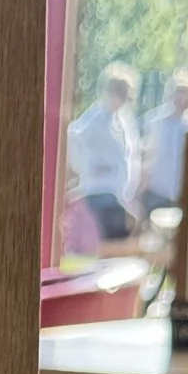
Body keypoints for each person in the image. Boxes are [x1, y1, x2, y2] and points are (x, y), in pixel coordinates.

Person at [64, 64, 141, 245]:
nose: (120, 100)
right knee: (105, 244)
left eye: (124, 95)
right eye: (118, 93)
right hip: (99, 193)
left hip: (118, 195)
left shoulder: (124, 121)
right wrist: (87, 167)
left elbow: (130, 156)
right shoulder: (95, 118)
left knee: (119, 244)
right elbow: (71, 139)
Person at [140, 72, 188, 212]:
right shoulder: (155, 122)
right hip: (157, 191)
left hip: (181, 194)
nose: (182, 99)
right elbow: (146, 156)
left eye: (186, 94)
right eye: (179, 93)